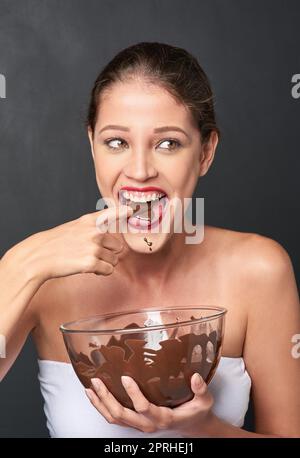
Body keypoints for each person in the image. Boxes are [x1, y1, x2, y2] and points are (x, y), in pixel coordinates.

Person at [0, 42, 299, 438]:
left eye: (167, 143)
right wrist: (24, 262)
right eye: (117, 142)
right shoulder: (43, 277)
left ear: (206, 152)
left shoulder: (259, 271)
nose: (139, 171)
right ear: (92, 145)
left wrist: (205, 428)